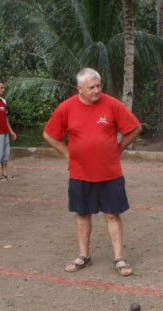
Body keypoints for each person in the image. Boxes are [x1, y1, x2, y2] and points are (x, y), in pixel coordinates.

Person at [43, 67, 142, 276]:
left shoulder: (112, 104)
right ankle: (83, 256)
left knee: (112, 215)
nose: (97, 90)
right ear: (80, 89)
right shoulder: (66, 108)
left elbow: (134, 127)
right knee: (82, 214)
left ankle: (119, 258)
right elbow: (49, 134)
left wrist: (120, 146)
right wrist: (67, 153)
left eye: (99, 86)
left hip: (110, 172)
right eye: (91, 87)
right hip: (80, 173)